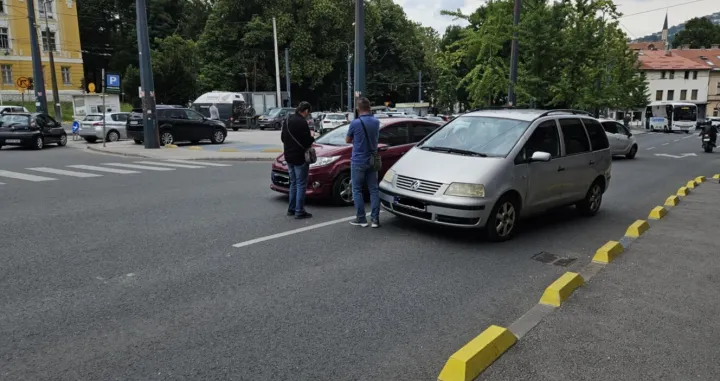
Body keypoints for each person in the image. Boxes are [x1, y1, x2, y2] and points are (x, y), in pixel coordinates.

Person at [345, 97, 381, 228]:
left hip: (358, 160)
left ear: (358, 109)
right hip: (373, 159)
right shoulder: (376, 122)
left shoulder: (355, 123)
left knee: (357, 190)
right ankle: (375, 220)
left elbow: (347, 140)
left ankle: (361, 219)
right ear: (370, 107)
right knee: (374, 190)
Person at [281, 101, 315, 219]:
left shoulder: (287, 119)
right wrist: (312, 137)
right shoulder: (302, 122)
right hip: (300, 157)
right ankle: (299, 210)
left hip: (288, 156)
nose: (308, 114)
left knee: (293, 183)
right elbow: (307, 141)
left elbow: (282, 138)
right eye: (308, 112)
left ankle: (291, 208)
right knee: (301, 184)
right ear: (305, 111)